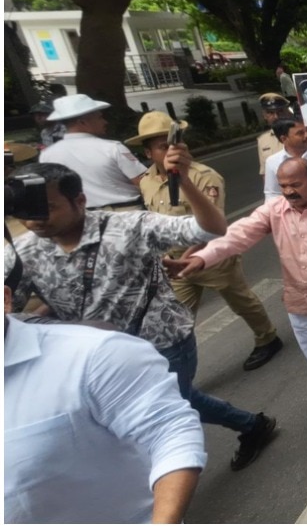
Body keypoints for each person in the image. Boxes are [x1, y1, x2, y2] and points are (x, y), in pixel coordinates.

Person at [10, 162, 277, 471]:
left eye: (48, 208)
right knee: (179, 399)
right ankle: (252, 425)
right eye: (26, 212)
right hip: (94, 358)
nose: (35, 221)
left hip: (162, 342)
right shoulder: (21, 253)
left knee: (155, 412)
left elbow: (211, 228)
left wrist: (185, 181)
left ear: (79, 201)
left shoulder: (130, 226)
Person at [4, 255, 206, 524]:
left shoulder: (94, 354)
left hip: (158, 336)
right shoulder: (33, 249)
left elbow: (169, 430)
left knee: (193, 398)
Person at [173, 158, 307, 428]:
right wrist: (203, 258)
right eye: (283, 186)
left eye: (295, 184)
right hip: (299, 299)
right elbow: (237, 235)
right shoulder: (274, 210)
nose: (289, 191)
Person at [130, 112, 282, 371]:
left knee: (241, 300)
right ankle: (176, 366)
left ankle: (267, 336)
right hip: (174, 262)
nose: (169, 150)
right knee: (178, 315)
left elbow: (213, 225)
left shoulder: (203, 176)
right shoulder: (147, 182)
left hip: (211, 256)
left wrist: (191, 257)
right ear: (148, 153)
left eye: (172, 144)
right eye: (161, 147)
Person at [40, 94, 146, 211]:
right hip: (126, 213)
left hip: (82, 218)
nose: (105, 122)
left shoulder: (47, 155)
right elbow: (144, 182)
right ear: (83, 122)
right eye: (99, 118)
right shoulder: (112, 148)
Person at [256, 92, 307, 175]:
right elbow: (265, 173)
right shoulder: (263, 141)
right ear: (264, 116)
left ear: (288, 112)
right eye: (270, 113)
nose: (276, 117)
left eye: (280, 111)